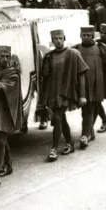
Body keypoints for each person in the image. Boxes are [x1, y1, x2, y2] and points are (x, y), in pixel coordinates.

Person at [37, 29, 88, 162]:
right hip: (53, 92)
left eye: (60, 38)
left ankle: (53, 148)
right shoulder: (49, 56)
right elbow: (45, 76)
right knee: (62, 119)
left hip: (67, 91)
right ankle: (70, 143)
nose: (58, 41)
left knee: (58, 118)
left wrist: (82, 95)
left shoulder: (73, 53)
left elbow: (81, 74)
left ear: (64, 38)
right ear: (52, 41)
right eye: (55, 39)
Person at [0, 46, 24, 179]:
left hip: (6, 110)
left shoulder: (12, 73)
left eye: (8, 56)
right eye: (2, 56)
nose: (5, 59)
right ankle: (8, 164)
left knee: (1, 140)